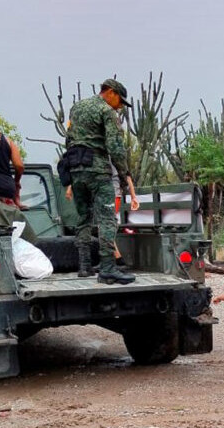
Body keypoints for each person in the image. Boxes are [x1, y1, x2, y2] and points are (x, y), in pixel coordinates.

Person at [65, 78, 135, 284]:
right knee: (107, 219)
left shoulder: (76, 108)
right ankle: (107, 268)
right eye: (120, 101)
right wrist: (124, 173)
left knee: (83, 217)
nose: (120, 106)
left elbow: (68, 139)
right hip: (98, 171)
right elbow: (115, 146)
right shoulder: (107, 111)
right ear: (110, 92)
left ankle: (84, 265)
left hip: (76, 169)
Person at [65, 164, 140, 268]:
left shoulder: (112, 160)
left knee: (105, 226)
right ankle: (116, 259)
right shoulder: (98, 160)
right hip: (102, 194)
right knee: (104, 226)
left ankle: (115, 260)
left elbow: (127, 176)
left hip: (112, 194)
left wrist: (133, 197)